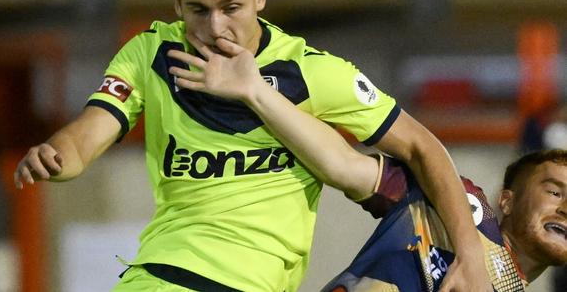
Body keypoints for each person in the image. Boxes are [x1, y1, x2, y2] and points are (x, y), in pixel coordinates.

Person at [14, 0, 489, 291]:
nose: (215, 25)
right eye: (198, 9)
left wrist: (469, 254)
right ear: (177, 2)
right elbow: (88, 133)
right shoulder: (150, 55)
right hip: (164, 274)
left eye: (232, 7)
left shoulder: (311, 72)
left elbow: (423, 146)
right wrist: (57, 155)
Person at [167, 33, 567, 291]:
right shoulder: (460, 208)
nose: (566, 208)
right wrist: (258, 93)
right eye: (554, 191)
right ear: (508, 200)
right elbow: (342, 164)